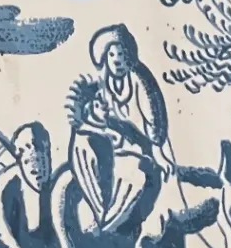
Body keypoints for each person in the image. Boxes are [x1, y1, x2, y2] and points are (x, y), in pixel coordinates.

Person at [70, 26, 175, 235]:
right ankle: (98, 213)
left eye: (121, 55)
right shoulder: (100, 86)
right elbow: (91, 120)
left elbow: (153, 125)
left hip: (137, 149)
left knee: (134, 173)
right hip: (108, 146)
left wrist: (158, 153)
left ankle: (110, 223)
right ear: (105, 58)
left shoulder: (139, 83)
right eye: (112, 55)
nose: (117, 60)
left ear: (129, 58)